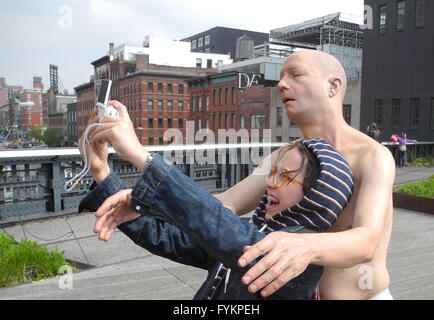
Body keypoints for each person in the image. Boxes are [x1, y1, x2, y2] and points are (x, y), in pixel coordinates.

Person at [84, 49, 396, 300]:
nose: (282, 84)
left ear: (333, 86)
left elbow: (367, 240)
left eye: (296, 74)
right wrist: (142, 200)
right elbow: (224, 205)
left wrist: (307, 246)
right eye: (281, 77)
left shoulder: (373, 156)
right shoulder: (281, 157)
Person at [78, 106, 354, 299]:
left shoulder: (301, 259)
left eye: (284, 176)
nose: (270, 182)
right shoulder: (254, 233)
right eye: (272, 172)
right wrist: (102, 172)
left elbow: (216, 224)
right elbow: (174, 239)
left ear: (316, 196)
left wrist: (140, 155)